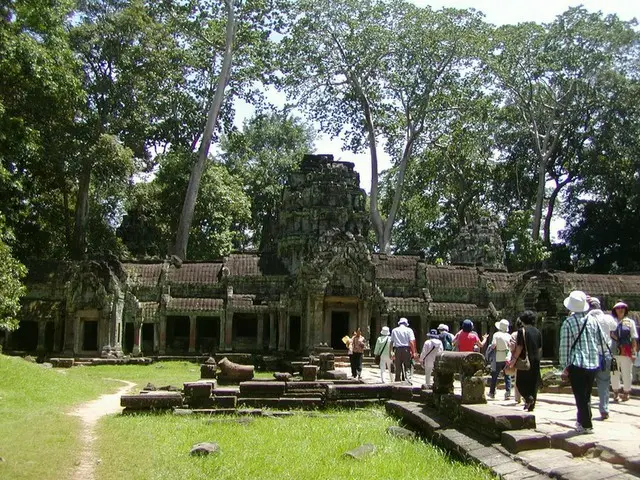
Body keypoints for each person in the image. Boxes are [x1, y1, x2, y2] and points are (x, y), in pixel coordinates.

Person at [559, 290, 601, 434]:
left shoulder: (568, 322)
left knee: (580, 395)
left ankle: (587, 424)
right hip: (593, 361)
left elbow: (565, 346)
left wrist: (564, 366)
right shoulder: (593, 320)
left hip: (577, 363)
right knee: (586, 394)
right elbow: (600, 340)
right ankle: (581, 421)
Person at [586, 296, 617, 420]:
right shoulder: (608, 318)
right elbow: (614, 328)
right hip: (605, 354)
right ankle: (604, 410)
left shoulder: (586, 319)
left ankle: (586, 411)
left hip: (590, 355)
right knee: (604, 383)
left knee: (587, 384)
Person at [508, 310, 542, 412]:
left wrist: (513, 360)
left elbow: (519, 347)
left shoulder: (521, 331)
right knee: (533, 383)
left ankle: (528, 398)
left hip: (524, 360)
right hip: (535, 359)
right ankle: (531, 405)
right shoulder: (537, 331)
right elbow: (539, 348)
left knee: (520, 383)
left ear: (522, 320)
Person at [610, 301, 638, 402]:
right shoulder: (611, 321)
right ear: (615, 310)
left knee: (627, 373)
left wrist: (634, 352)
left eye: (622, 307)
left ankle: (626, 392)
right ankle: (615, 393)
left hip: (626, 351)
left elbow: (634, 338)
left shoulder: (630, 322)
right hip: (613, 352)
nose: (620, 309)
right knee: (613, 373)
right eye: (618, 308)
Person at [488, 319, 512, 400]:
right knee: (507, 375)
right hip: (506, 356)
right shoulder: (509, 336)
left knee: (494, 375)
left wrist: (490, 348)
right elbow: (510, 346)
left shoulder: (496, 335)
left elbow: (494, 345)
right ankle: (508, 392)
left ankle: (492, 392)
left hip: (497, 356)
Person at [390, 317, 416, 382]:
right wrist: (414, 352)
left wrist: (391, 352)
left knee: (397, 367)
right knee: (407, 366)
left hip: (397, 350)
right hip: (406, 350)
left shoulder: (394, 330)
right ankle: (408, 380)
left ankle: (397, 381)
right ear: (406, 324)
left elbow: (391, 342)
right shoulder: (409, 330)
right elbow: (411, 342)